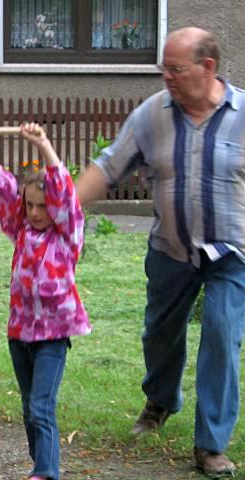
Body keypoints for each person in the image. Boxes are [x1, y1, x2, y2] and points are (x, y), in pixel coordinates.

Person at [76, 27, 245, 478]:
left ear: (207, 67)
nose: (166, 77)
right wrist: (64, 206)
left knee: (222, 337)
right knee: (159, 336)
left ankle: (210, 445)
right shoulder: (152, 115)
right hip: (170, 248)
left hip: (232, 254)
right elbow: (109, 165)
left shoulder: (243, 114)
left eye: (175, 69)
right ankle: (161, 399)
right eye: (162, 69)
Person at [0, 121, 91, 480]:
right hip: (19, 334)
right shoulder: (20, 229)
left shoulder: (66, 236)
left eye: (43, 206)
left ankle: (46, 471)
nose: (36, 212)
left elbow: (65, 193)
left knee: (41, 407)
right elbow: (3, 188)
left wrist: (43, 145)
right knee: (29, 409)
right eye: (31, 205)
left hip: (53, 337)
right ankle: (41, 463)